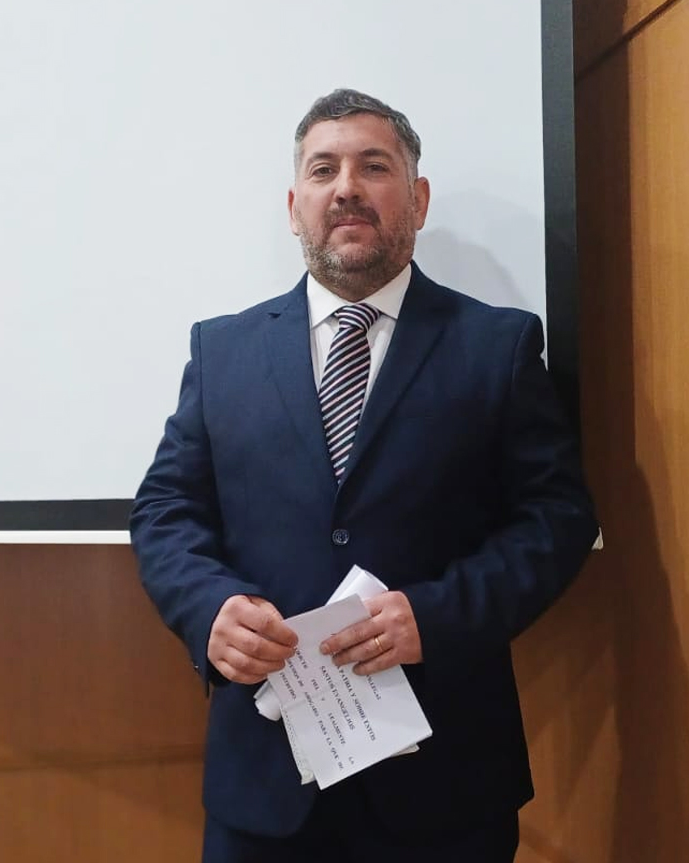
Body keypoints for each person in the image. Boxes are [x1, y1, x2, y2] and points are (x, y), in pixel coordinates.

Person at [130, 88, 598, 863]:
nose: (346, 187)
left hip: (445, 782)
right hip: (266, 781)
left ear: (417, 198)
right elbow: (165, 510)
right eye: (323, 170)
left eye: (373, 166)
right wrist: (208, 609)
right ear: (295, 208)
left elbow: (557, 520)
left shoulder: (497, 345)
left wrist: (436, 617)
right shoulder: (223, 351)